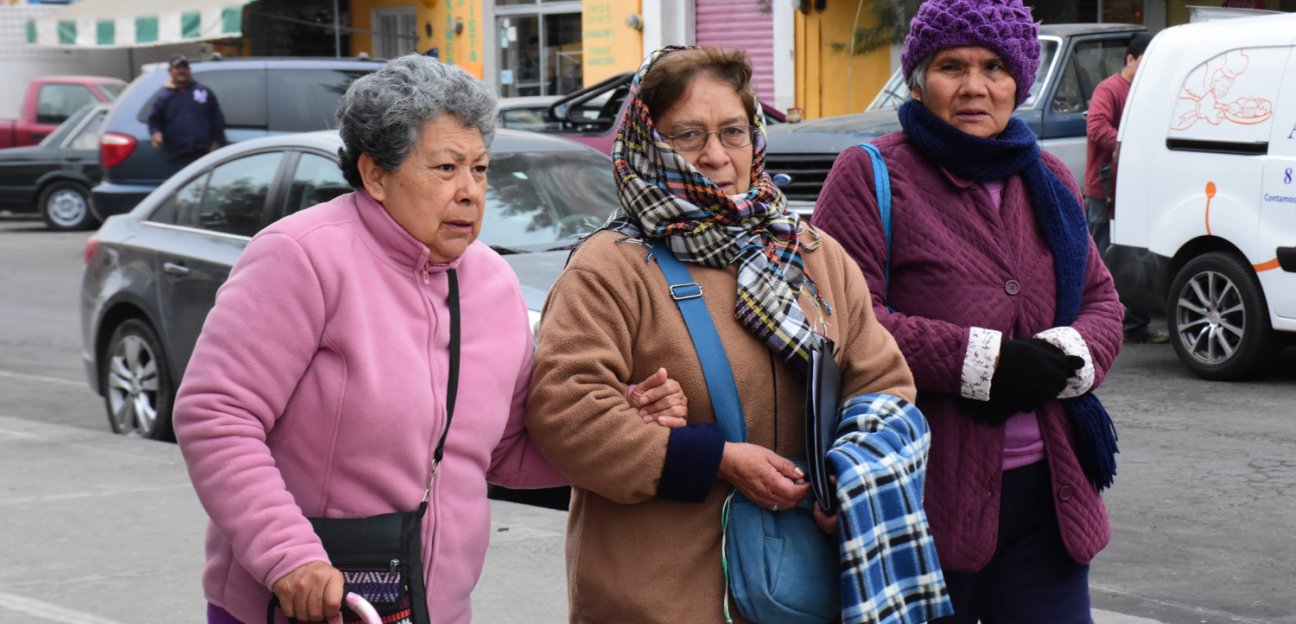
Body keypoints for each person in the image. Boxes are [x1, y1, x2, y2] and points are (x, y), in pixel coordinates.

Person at [172, 55, 687, 624]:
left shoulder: (492, 282)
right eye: (446, 168)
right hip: (299, 603)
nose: (469, 191)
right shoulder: (302, 257)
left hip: (433, 609)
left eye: (481, 169)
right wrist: (288, 556)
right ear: (375, 175)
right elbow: (216, 416)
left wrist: (618, 423)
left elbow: (507, 452)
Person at [525, 46, 940, 622]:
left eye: (733, 132)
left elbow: (884, 384)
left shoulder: (813, 254)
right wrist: (713, 458)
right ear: (648, 143)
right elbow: (565, 413)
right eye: (688, 136)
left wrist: (851, 478)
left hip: (803, 592)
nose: (717, 155)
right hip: (658, 597)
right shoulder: (609, 268)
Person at [810, 0, 1126, 622]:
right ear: (920, 80)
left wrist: (1060, 358)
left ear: (1020, 80)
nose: (975, 86)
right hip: (919, 501)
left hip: (1051, 504)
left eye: (994, 67)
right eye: (951, 65)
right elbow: (844, 318)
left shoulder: (1049, 177)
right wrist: (987, 364)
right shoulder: (870, 174)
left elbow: (1103, 301)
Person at [1084, 32, 1167, 344]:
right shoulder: (1109, 89)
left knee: (1132, 256)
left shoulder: (1147, 91)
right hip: (1104, 189)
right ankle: (1091, 323)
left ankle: (1133, 324)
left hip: (1135, 187)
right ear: (1130, 59)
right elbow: (1096, 128)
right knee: (1099, 257)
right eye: (1145, 62)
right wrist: (1130, 145)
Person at [148, 54, 227, 171]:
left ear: (189, 70)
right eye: (177, 68)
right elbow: (154, 121)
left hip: (204, 154)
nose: (181, 71)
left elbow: (217, 119)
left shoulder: (203, 92)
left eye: (184, 67)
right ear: (170, 71)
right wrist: (156, 133)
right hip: (177, 157)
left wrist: (217, 143)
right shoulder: (163, 97)